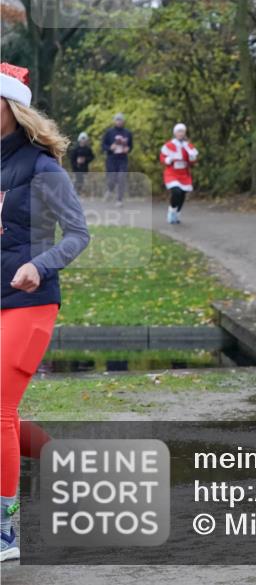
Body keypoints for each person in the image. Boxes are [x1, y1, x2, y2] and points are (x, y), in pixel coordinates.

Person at [0, 63, 90, 562]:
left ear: (12, 108)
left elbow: (78, 234)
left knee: (0, 410)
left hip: (29, 301)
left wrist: (40, 264)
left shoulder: (42, 168)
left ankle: (6, 530)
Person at [159, 123, 199, 224]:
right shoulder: (169, 145)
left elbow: (193, 160)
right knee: (176, 192)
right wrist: (169, 159)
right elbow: (162, 158)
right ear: (175, 133)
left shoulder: (188, 145)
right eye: (179, 131)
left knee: (182, 194)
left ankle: (177, 213)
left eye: (183, 131)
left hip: (184, 173)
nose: (181, 134)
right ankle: (172, 210)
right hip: (172, 172)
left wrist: (192, 158)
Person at [101, 112, 132, 206]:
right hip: (111, 159)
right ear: (114, 121)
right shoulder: (109, 132)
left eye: (120, 120)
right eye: (117, 120)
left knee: (121, 178)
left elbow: (131, 145)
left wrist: (128, 149)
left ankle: (119, 200)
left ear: (123, 121)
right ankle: (110, 190)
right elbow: (103, 146)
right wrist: (110, 148)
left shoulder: (127, 133)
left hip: (122, 159)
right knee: (112, 179)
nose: (119, 122)